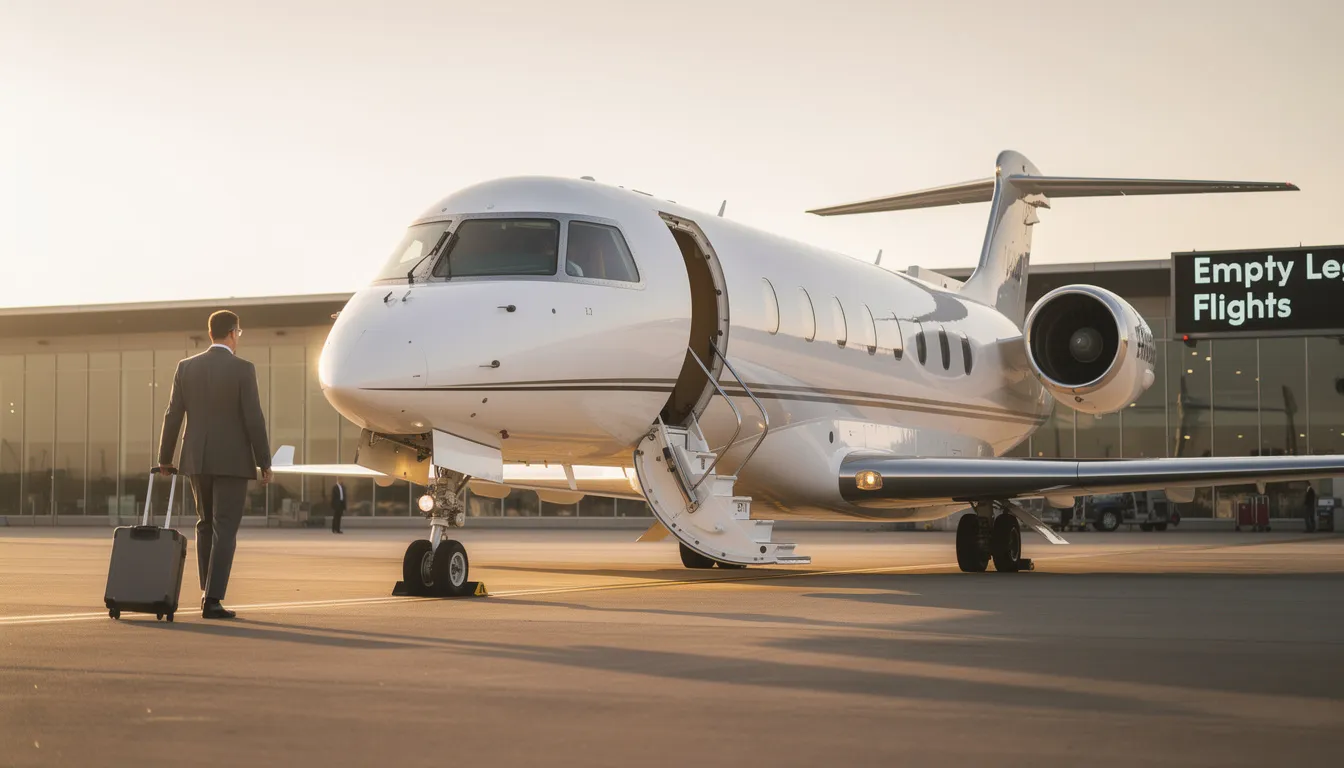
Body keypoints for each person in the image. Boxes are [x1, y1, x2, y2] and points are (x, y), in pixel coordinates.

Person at [158, 310, 272, 619]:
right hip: (233, 462)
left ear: (211, 333)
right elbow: (253, 418)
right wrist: (265, 462)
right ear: (233, 333)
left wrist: (165, 459)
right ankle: (213, 598)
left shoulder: (186, 368)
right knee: (225, 528)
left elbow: (172, 414)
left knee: (205, 524)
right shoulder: (243, 369)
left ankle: (205, 591)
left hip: (196, 459)